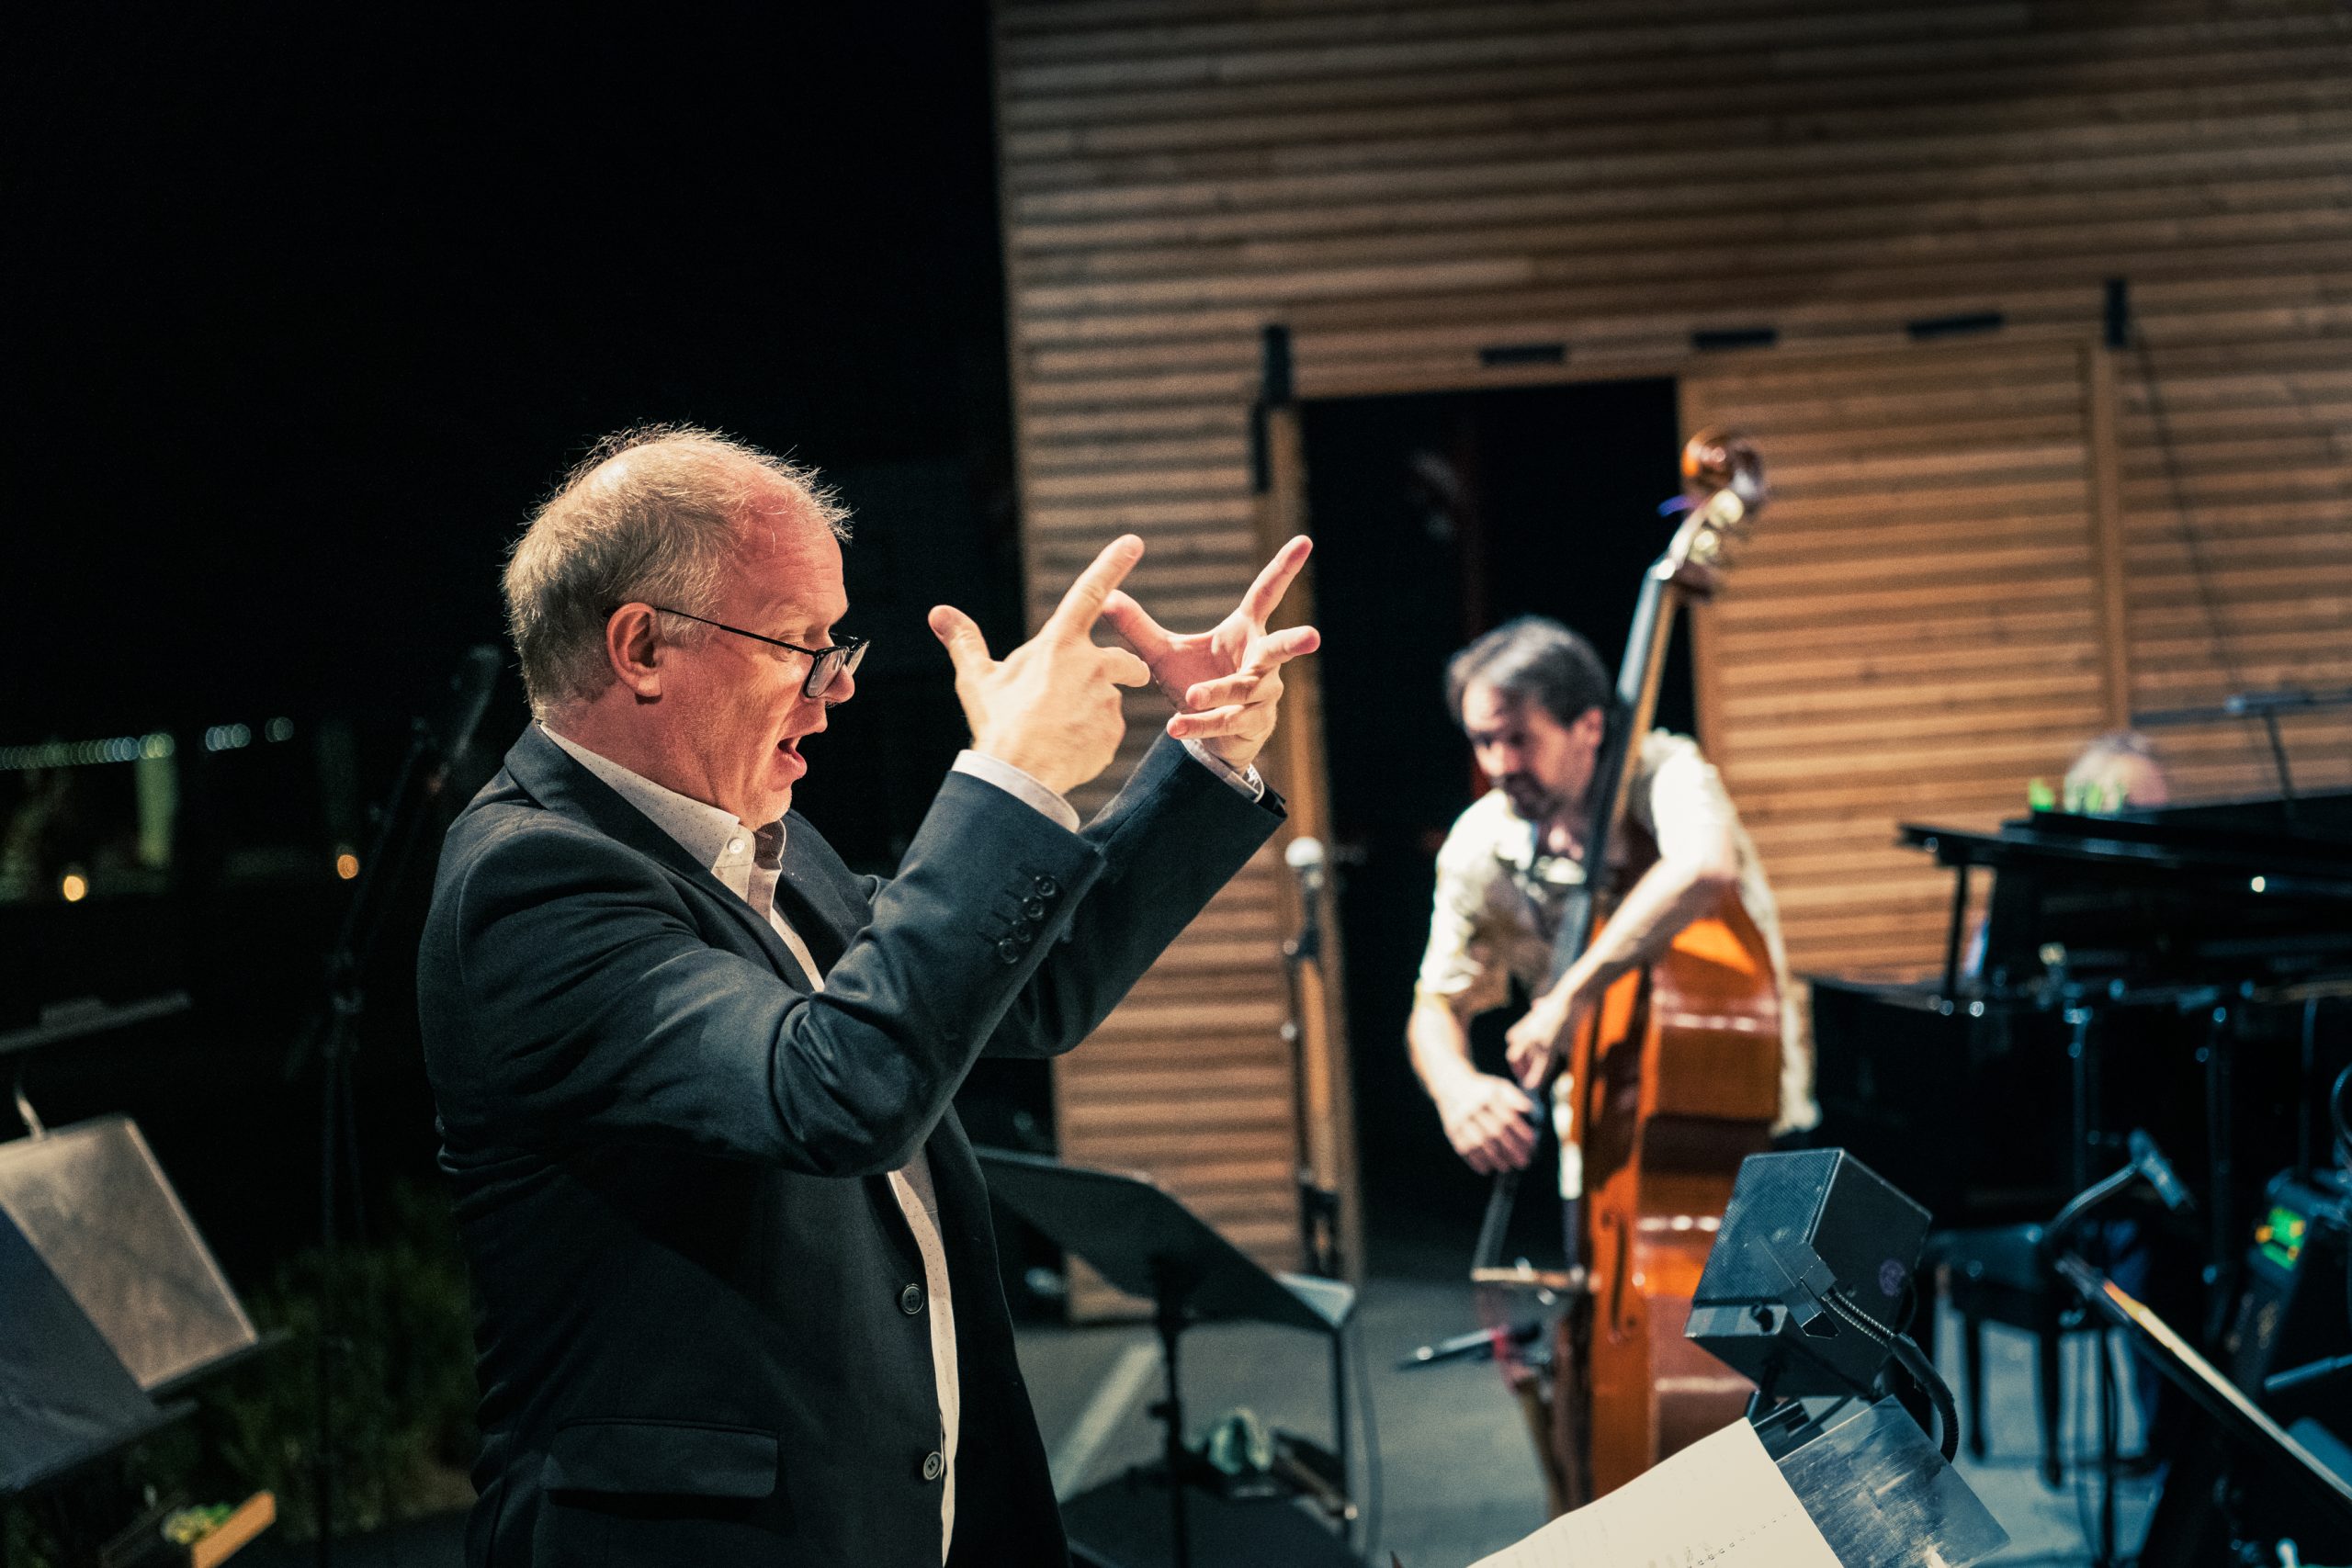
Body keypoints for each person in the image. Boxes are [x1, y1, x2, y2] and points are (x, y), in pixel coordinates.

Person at [417, 425, 1317, 1568]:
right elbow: (834, 1089)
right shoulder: (532, 882)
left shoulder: (763, 844)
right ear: (642, 646)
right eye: (798, 645)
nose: (833, 690)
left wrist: (1198, 759)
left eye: (837, 645)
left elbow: (1033, 988)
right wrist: (1009, 777)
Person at [1406, 616, 1815, 1181]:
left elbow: (1703, 865)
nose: (1499, 766)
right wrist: (1457, 1089)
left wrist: (1570, 996)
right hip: (1601, 1132)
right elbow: (1436, 1003)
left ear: (1590, 726)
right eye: (1483, 741)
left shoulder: (1664, 771)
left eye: (1519, 738)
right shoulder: (1478, 845)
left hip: (1739, 1101)